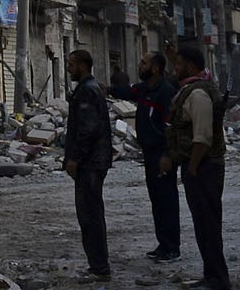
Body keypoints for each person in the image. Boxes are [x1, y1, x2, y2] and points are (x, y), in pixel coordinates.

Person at [161, 45, 229, 290]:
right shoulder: (194, 87)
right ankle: (211, 275)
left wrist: (191, 167)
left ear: (189, 66)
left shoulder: (198, 94)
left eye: (178, 64)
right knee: (203, 224)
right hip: (201, 166)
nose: (174, 69)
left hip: (204, 167)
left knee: (208, 224)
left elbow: (202, 137)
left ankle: (218, 278)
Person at [109, 51, 181, 263]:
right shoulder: (145, 89)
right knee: (157, 200)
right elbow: (127, 91)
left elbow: (170, 126)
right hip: (149, 153)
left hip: (161, 153)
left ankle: (172, 248)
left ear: (155, 68)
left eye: (144, 63)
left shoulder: (165, 92)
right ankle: (163, 244)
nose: (140, 66)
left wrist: (168, 154)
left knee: (166, 200)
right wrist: (108, 89)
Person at [64, 49, 112, 280]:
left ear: (83, 65)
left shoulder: (86, 91)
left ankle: (99, 268)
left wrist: (75, 158)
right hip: (93, 161)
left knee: (90, 216)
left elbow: (88, 129)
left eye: (72, 65)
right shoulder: (88, 89)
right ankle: (98, 266)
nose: (69, 69)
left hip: (91, 163)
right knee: (91, 214)